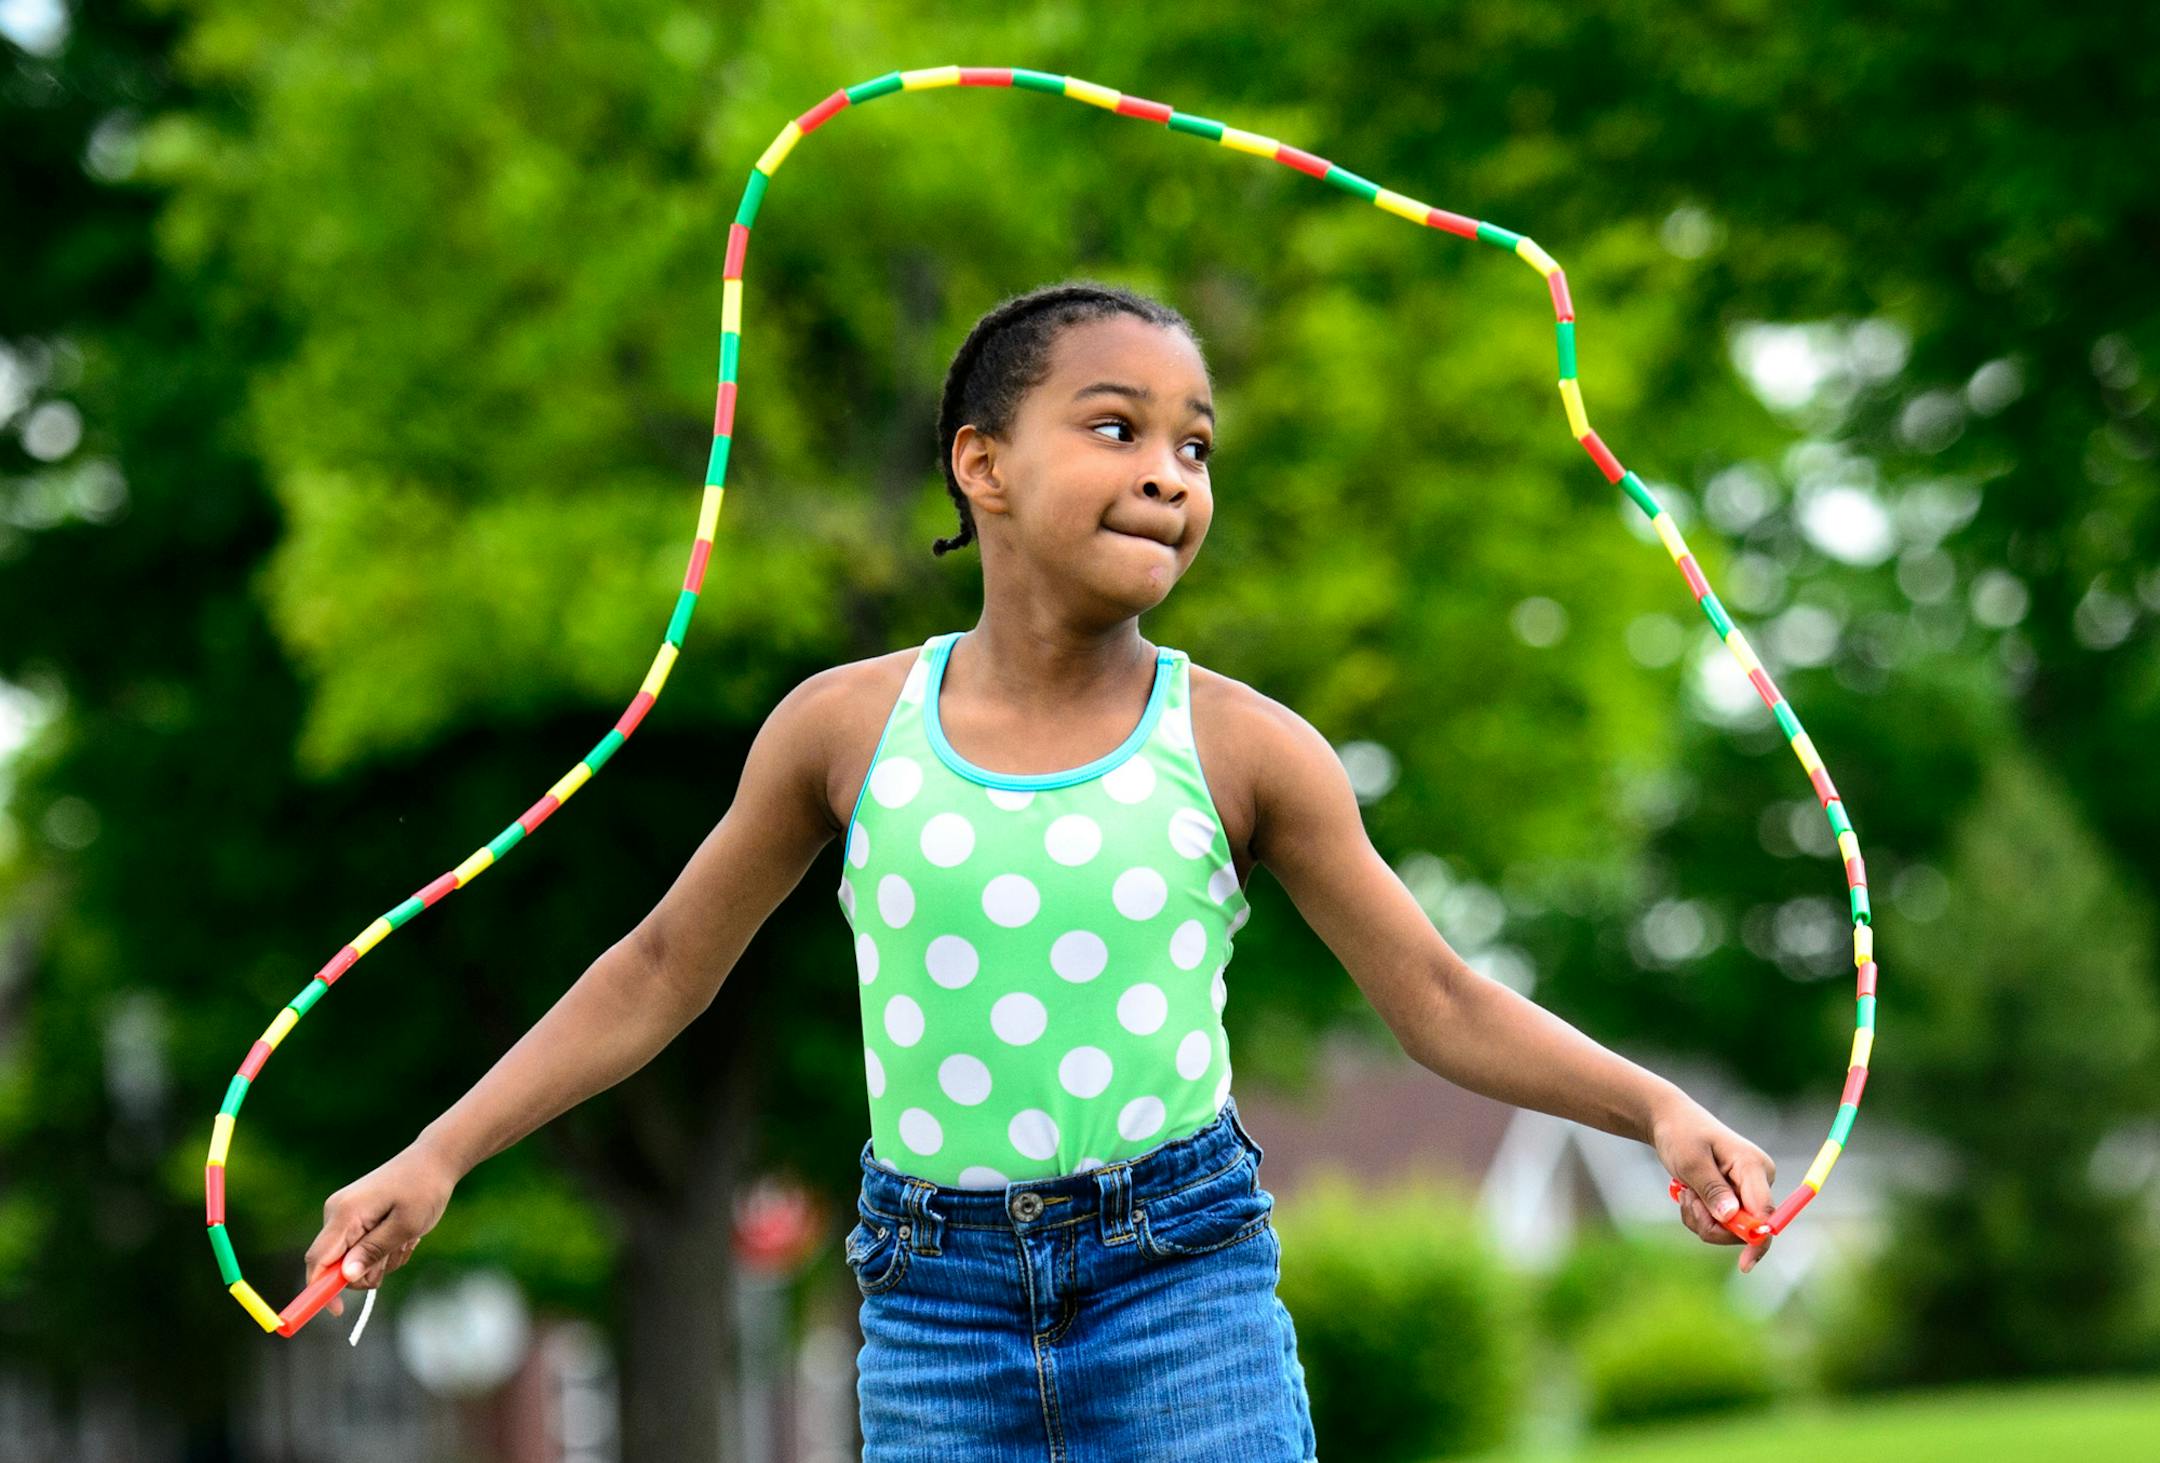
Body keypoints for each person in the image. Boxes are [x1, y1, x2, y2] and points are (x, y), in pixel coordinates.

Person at [305, 279, 1776, 1460]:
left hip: (1182, 1284)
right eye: (1119, 428)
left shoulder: (1247, 749)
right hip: (933, 1309)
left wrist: (1651, 1106)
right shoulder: (843, 728)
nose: (1171, 474)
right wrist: (439, 1152)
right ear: (983, 464)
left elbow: (1441, 998)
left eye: (1197, 446)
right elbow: (659, 969)